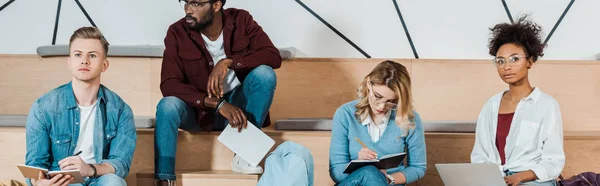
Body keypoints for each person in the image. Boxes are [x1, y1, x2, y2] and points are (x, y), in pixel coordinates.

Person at [155, 0, 281, 185]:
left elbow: (272, 56)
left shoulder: (241, 20)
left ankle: (245, 154)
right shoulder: (177, 32)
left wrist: (228, 62)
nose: (188, 9)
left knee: (265, 74)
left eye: (196, 4)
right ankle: (164, 180)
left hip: (237, 113)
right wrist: (216, 103)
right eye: (186, 2)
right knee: (167, 106)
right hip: (197, 113)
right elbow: (169, 84)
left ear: (216, 5)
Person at [25, 27, 136, 186]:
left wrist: (90, 169)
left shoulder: (120, 110)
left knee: (114, 182)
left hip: (99, 177)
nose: (85, 60)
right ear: (69, 62)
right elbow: (35, 163)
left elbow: (121, 164)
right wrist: (38, 183)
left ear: (104, 65)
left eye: (92, 55)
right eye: (78, 55)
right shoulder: (43, 108)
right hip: (63, 179)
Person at [471, 16, 565, 186]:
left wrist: (520, 177)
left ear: (530, 61)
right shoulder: (490, 105)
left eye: (514, 59)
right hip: (496, 179)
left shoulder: (547, 105)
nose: (506, 66)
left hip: (533, 180)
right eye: (500, 61)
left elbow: (553, 160)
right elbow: (479, 155)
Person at [329, 60, 427, 186]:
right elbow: (336, 173)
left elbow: (418, 167)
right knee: (370, 172)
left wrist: (388, 179)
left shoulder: (410, 119)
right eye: (377, 96)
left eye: (391, 101)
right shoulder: (345, 114)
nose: (381, 107)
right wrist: (359, 163)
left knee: (374, 175)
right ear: (368, 84)